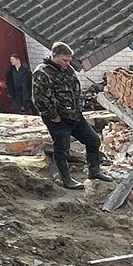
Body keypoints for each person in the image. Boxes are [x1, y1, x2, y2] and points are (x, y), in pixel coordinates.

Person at [30, 43, 105, 189]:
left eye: (69, 60)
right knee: (62, 148)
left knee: (93, 140)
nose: (67, 63)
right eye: (64, 60)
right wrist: (54, 116)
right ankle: (66, 179)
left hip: (75, 115)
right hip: (58, 119)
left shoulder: (67, 69)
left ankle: (94, 171)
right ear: (54, 55)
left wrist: (78, 108)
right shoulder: (42, 72)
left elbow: (74, 89)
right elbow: (39, 99)